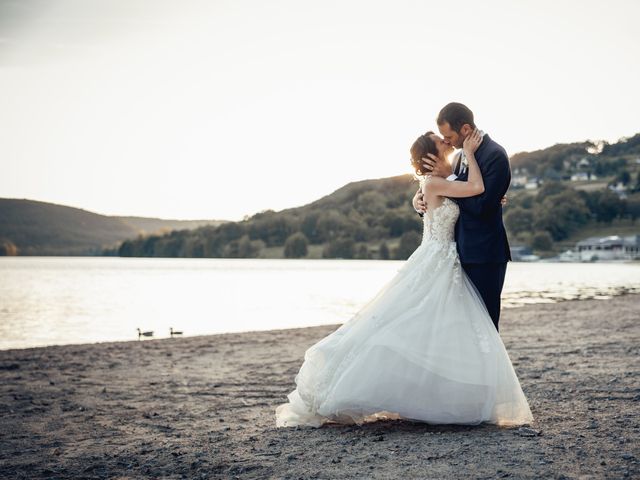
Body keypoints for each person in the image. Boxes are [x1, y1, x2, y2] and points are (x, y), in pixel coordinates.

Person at [274, 125, 533, 428]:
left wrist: (474, 190)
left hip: (446, 258)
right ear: (431, 156)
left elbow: (466, 193)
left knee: (438, 328)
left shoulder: (443, 178)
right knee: (412, 322)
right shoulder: (438, 181)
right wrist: (470, 159)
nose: (446, 141)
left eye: (445, 136)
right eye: (440, 141)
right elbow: (475, 188)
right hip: (438, 258)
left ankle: (444, 395)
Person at [413, 102, 511, 331]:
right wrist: (418, 202)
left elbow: (481, 207)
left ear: (465, 129)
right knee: (460, 326)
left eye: (448, 136)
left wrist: (449, 177)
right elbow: (444, 195)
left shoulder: (495, 155)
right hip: (456, 255)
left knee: (485, 324)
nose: (446, 141)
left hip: (484, 255)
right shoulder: (457, 158)